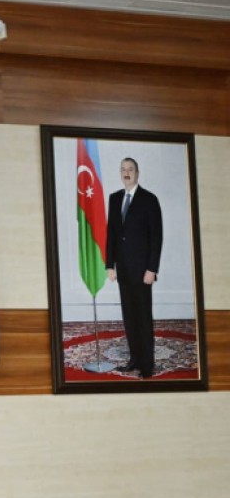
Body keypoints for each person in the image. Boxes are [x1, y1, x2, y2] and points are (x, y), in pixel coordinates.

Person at [105, 157, 162, 378]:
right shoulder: (114, 198)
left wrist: (152, 269)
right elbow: (111, 234)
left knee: (143, 317)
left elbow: (156, 237)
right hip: (123, 270)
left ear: (137, 173)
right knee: (129, 317)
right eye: (123, 169)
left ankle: (147, 365)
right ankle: (134, 359)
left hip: (142, 271)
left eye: (130, 169)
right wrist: (110, 265)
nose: (126, 173)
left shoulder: (149, 199)